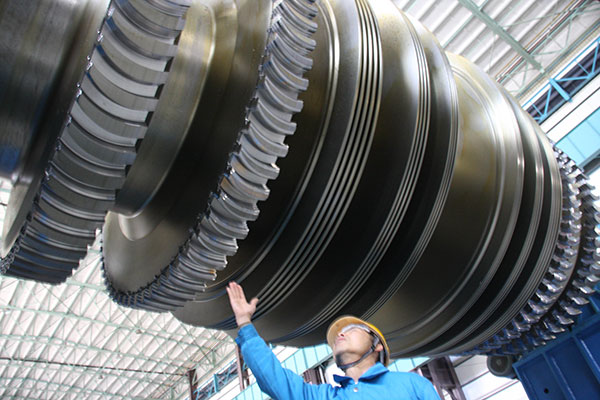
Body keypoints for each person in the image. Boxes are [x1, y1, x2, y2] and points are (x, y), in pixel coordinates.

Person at [226, 281, 441, 399]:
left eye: (353, 329)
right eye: (340, 334)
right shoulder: (325, 396)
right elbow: (275, 380)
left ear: (376, 346)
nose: (341, 334)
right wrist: (245, 322)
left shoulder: (412, 385)